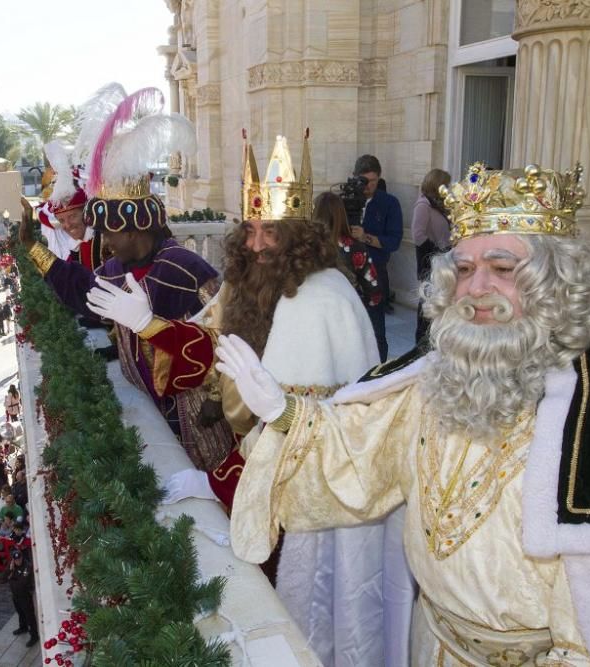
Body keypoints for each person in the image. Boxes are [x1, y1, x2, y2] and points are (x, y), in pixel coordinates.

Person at [216, 162, 590, 666]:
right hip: (432, 640)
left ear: (556, 280)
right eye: (462, 269)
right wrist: (285, 413)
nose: (476, 288)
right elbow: (361, 453)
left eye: (502, 269)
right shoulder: (439, 374)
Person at [87, 130, 413, 666]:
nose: (258, 244)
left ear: (301, 238)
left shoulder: (318, 300)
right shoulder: (249, 284)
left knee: (298, 619)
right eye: (252, 229)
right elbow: (212, 348)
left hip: (307, 505)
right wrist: (149, 325)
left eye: (273, 233)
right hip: (253, 470)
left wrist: (215, 481)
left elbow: (293, 433)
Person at [19, 84, 232, 471]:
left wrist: (218, 399)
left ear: (136, 229)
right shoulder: (115, 269)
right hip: (150, 409)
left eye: (112, 234)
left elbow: (229, 336)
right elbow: (82, 294)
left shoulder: (187, 268)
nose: (106, 243)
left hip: (198, 417)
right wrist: (36, 251)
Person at [350, 154, 403, 360]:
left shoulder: (389, 203)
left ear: (379, 178)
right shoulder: (344, 201)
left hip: (376, 272)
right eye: (364, 181)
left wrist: (366, 237)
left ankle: (378, 375)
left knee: (376, 330)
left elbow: (394, 242)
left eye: (372, 181)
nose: (368, 186)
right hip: (348, 273)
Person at [313, 191, 383, 312]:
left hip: (313, 313)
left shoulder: (303, 246)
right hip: (346, 313)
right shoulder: (355, 247)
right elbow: (374, 293)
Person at [412, 167, 452, 343]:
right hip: (431, 263)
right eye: (446, 185)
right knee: (427, 309)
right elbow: (418, 235)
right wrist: (437, 251)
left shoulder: (440, 205)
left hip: (444, 260)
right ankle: (420, 346)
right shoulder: (423, 205)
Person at [4, 549, 38, 646]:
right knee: (20, 612)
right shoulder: (12, 566)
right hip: (15, 595)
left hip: (25, 595)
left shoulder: (27, 567)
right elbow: (2, 579)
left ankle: (34, 636)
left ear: (22, 558)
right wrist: (9, 570)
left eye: (19, 559)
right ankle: (23, 627)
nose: (18, 561)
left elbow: (22, 583)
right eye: (16, 560)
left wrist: (10, 579)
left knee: (30, 616)